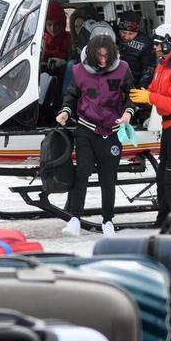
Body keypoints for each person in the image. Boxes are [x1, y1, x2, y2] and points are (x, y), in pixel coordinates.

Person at [56, 33, 136, 236]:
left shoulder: (123, 69)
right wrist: (65, 111)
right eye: (99, 56)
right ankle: (74, 219)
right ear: (91, 54)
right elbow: (72, 95)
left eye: (107, 56)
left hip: (112, 131)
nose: (103, 60)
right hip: (86, 129)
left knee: (107, 178)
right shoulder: (78, 70)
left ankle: (108, 221)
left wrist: (128, 113)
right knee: (82, 171)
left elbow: (133, 96)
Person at [129, 23, 171, 228]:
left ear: (169, 45)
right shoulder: (163, 65)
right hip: (169, 127)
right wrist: (136, 96)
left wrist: (149, 97)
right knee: (163, 176)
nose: (155, 47)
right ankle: (164, 219)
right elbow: (153, 90)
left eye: (159, 44)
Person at [117, 12, 156, 88]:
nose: (126, 37)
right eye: (123, 33)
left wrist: (140, 89)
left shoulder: (145, 43)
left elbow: (148, 69)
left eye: (131, 34)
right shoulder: (112, 37)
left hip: (134, 84)